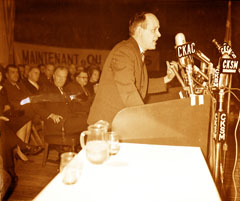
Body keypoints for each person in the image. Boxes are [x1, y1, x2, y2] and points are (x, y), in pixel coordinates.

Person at [87, 12, 177, 126]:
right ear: (139, 31)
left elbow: (140, 85)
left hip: (118, 121)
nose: (159, 34)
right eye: (154, 30)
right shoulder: (125, 52)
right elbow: (128, 90)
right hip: (106, 125)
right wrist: (146, 119)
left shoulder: (135, 52)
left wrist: (166, 78)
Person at [33, 66, 88, 136]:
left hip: (68, 122)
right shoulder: (46, 89)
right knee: (90, 121)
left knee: (91, 119)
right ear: (54, 76)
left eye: (64, 77)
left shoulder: (65, 91)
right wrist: (50, 115)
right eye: (59, 76)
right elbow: (35, 104)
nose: (61, 80)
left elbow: (73, 108)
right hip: (57, 125)